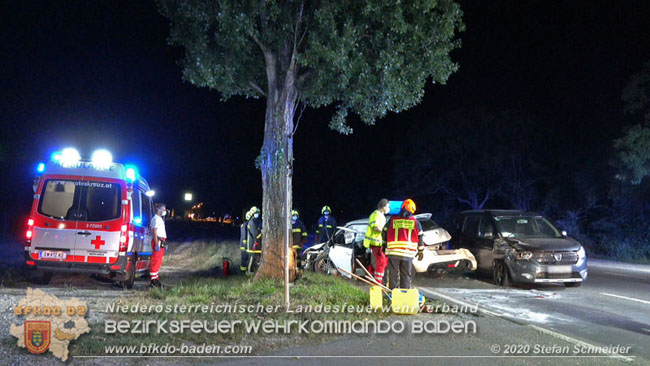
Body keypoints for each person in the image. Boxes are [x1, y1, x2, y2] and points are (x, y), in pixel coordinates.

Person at [385, 199, 424, 290]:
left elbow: (384, 232)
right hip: (408, 253)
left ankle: (392, 294)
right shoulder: (415, 222)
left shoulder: (392, 220)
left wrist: (383, 246)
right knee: (406, 275)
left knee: (393, 274)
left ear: (402, 208)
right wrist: (421, 251)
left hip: (393, 252)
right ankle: (404, 294)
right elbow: (420, 237)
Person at [363, 199, 390, 283]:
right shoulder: (375, 215)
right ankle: (378, 282)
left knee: (382, 262)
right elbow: (375, 227)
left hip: (380, 243)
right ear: (384, 207)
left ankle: (371, 275)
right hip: (376, 243)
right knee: (381, 263)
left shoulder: (381, 215)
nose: (388, 209)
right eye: (388, 207)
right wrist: (385, 231)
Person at [150, 203, 168, 288]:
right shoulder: (156, 219)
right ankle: (153, 281)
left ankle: (156, 279)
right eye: (163, 209)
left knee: (159, 261)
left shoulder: (159, 219)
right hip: (158, 241)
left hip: (161, 241)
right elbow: (154, 231)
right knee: (156, 260)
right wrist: (157, 243)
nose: (165, 211)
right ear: (159, 209)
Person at [245, 206, 262, 274]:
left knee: (257, 258)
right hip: (252, 244)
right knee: (251, 258)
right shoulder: (251, 223)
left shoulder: (259, 221)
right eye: (255, 213)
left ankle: (255, 271)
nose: (257, 214)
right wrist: (262, 233)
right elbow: (255, 234)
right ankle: (249, 271)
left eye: (258, 213)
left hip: (258, 244)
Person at [239, 208, 253, 273]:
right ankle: (243, 270)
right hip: (244, 244)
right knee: (244, 257)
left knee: (245, 257)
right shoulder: (245, 225)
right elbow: (243, 235)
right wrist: (245, 243)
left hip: (245, 244)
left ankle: (244, 269)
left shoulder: (247, 224)